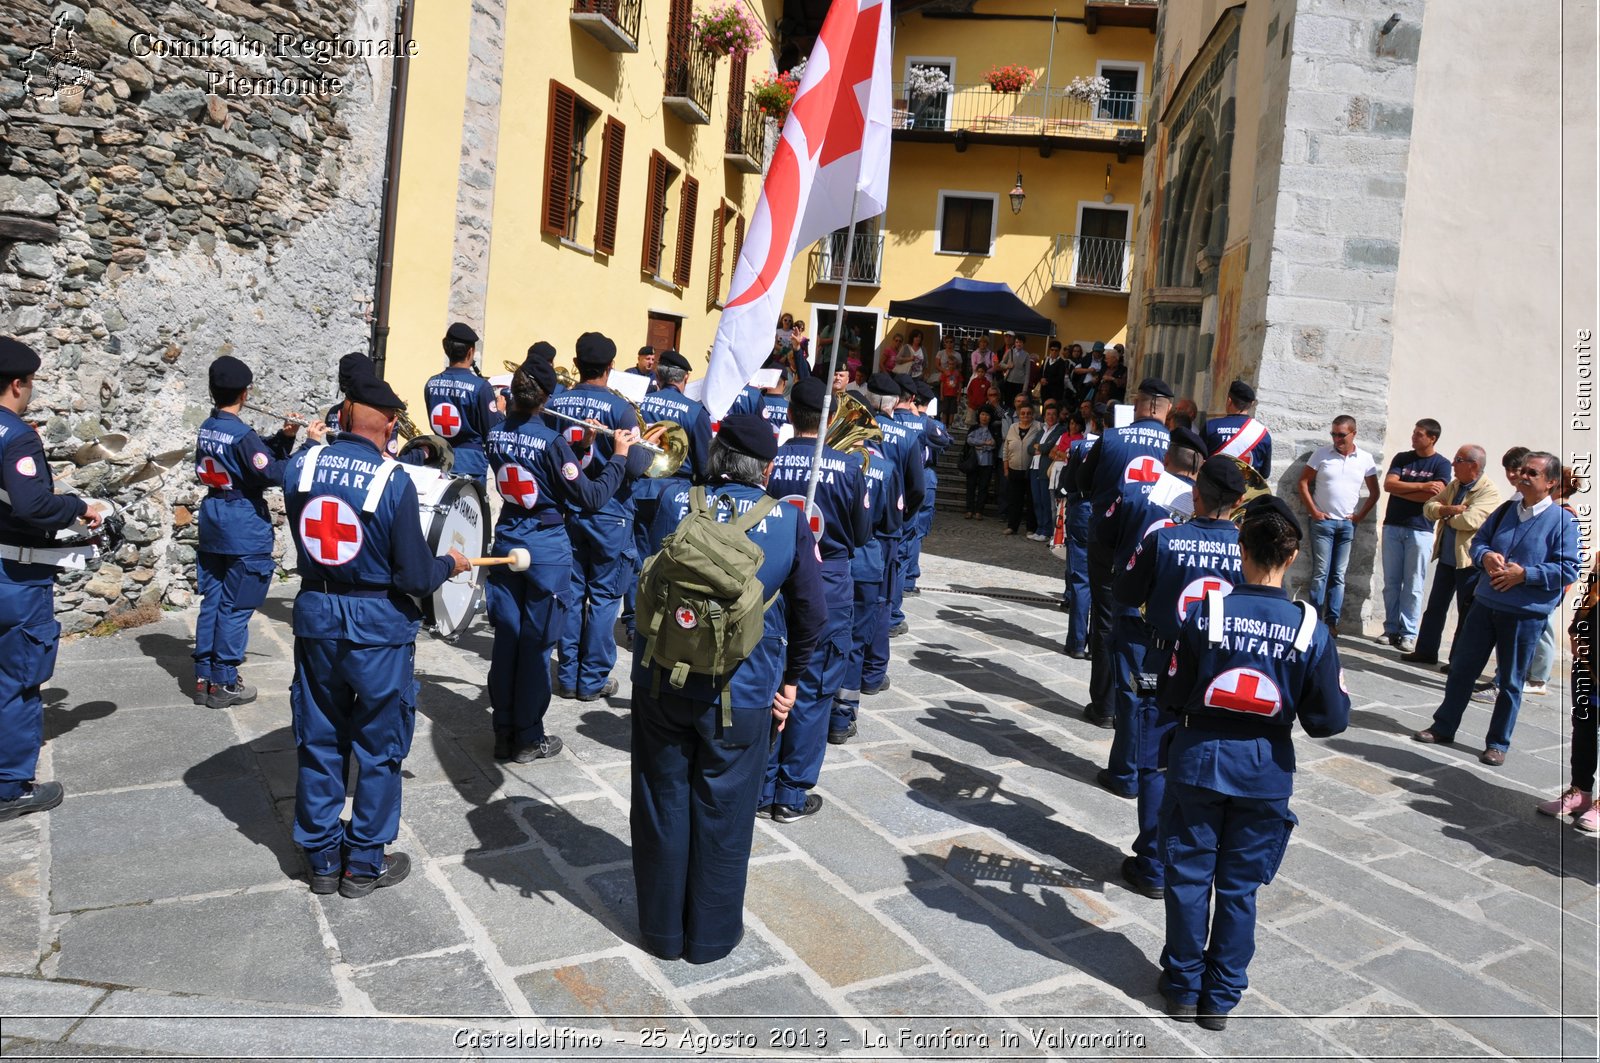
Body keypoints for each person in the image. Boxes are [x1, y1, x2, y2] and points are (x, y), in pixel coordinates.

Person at [631, 415, 825, 962]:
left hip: (662, 677)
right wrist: (790, 683)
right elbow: (814, 616)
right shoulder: (788, 521)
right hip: (743, 691)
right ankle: (710, 940)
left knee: (660, 803)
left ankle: (662, 933)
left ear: (716, 458)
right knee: (726, 814)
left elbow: (642, 569)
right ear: (766, 469)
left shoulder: (673, 502)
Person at [1155, 495, 1350, 1030]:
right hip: (1265, 767)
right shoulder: (1309, 627)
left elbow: (1170, 694)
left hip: (1199, 758)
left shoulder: (1207, 612)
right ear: (1291, 559)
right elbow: (1329, 720)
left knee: (1189, 878)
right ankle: (1219, 999)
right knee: (1240, 888)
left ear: (1240, 551)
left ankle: (1181, 986)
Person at [284, 371, 469, 897]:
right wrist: (450, 563)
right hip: (377, 629)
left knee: (318, 737)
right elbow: (412, 576)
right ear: (390, 423)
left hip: (317, 615)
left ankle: (321, 858)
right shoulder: (394, 481)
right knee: (379, 745)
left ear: (342, 413)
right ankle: (363, 864)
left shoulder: (300, 464)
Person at [486, 347, 648, 763]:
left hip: (508, 537)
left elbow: (540, 475)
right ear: (544, 397)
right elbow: (590, 496)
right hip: (544, 546)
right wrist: (619, 455)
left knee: (507, 640)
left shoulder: (495, 432)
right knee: (537, 645)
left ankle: (503, 730)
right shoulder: (552, 441)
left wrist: (586, 448)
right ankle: (528, 736)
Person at [1113, 455, 1245, 899]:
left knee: (1152, 756)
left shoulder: (1167, 539)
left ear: (1195, 494)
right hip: (1219, 669)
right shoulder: (1249, 548)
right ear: (1240, 501)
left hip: (1158, 661)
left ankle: (1151, 864)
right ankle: (1191, 855)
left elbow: (1127, 592)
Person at [0, 338, 110, 823]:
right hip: (15, 576)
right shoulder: (16, 435)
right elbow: (31, 505)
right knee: (19, 681)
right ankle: (9, 788)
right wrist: (78, 505)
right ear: (17, 384)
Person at [1414, 452, 1581, 765]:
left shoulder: (1564, 522)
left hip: (1523, 614)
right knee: (1462, 670)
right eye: (1522, 471)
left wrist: (1525, 575)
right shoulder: (1506, 510)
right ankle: (1443, 726)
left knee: (1510, 682)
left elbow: (1569, 569)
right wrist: (1485, 557)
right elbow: (1479, 542)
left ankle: (1497, 743)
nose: (1522, 476)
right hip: (1486, 604)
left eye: (1532, 472)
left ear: (1551, 483)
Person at [760, 377, 870, 819]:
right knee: (815, 687)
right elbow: (861, 533)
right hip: (828, 582)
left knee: (774, 679)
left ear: (790, 415)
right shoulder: (848, 467)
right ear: (831, 418)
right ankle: (790, 793)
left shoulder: (770, 460)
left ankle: (762, 785)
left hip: (776, 583)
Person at [193, 355, 326, 709]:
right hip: (241, 523)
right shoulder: (241, 434)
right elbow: (275, 475)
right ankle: (224, 681)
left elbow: (252, 460)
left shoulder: (209, 425)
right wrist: (310, 445)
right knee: (237, 605)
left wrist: (284, 437)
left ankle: (204, 676)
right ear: (245, 392)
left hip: (214, 516)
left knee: (214, 600)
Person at [1094, 427, 1209, 799]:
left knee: (1133, 691)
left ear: (1167, 459)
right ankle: (1165, 771)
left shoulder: (1133, 490)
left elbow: (1104, 534)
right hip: (1186, 617)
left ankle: (1127, 773)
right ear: (1200, 466)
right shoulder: (1208, 507)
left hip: (1134, 606)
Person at [548, 332, 643, 701]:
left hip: (570, 509)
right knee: (604, 597)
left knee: (572, 593)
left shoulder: (559, 401)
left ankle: (568, 675)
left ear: (575, 365)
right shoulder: (621, 409)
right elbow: (634, 465)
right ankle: (592, 680)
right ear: (611, 368)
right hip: (612, 513)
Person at [1077, 378, 1174, 728]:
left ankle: (1104, 705)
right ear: (1165, 409)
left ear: (1143, 405)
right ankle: (1139, 701)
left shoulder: (1111, 438)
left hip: (1109, 541)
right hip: (1159, 544)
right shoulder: (1179, 447)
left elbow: (1083, 484)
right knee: (1152, 627)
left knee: (1105, 620)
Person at [1404, 445, 1502, 667]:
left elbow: (1470, 521)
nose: (1452, 464)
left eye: (1458, 459)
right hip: (1446, 558)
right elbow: (1429, 507)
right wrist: (1450, 510)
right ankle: (1426, 651)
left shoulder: (1489, 491)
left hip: (1468, 561)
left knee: (1465, 614)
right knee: (1435, 607)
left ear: (1473, 465)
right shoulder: (1455, 484)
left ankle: (1458, 661)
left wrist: (1445, 514)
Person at [1372, 419, 1453, 652]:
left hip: (1421, 530)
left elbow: (1435, 498)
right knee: (1391, 582)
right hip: (1393, 526)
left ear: (1432, 438)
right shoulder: (1402, 458)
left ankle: (1408, 633)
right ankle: (1391, 629)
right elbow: (1389, 485)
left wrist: (1404, 488)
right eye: (1414, 433)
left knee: (1414, 584)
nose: (1413, 437)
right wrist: (1421, 487)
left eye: (1419, 434)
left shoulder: (1442, 464)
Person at [861, 374, 924, 670]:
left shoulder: (855, 426)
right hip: (888, 524)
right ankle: (873, 663)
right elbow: (917, 489)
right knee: (884, 593)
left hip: (856, 520)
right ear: (896, 402)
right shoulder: (907, 436)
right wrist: (901, 516)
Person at [1296, 415, 1379, 637]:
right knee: (1321, 573)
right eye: (1333, 434)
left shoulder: (1365, 458)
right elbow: (1303, 482)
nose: (1336, 439)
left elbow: (1375, 492)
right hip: (1323, 523)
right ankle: (1313, 621)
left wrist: (1359, 516)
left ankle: (1331, 623)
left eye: (1341, 435)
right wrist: (1314, 511)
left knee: (1338, 575)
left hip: (1347, 525)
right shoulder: (1322, 454)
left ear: (1354, 433)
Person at [1534, 568, 1600, 831]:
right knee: (1583, 726)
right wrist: (1575, 630)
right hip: (1589, 659)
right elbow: (1589, 594)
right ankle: (1580, 792)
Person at [892, 379, 949, 616]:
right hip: (920, 478)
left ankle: (903, 578)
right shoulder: (923, 423)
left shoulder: (891, 418)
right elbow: (945, 440)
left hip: (896, 479)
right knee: (914, 532)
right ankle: (907, 580)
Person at [422, 322, 502, 485]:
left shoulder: (431, 384)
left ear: (446, 349)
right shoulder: (480, 386)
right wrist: (500, 412)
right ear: (470, 352)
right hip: (470, 462)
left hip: (440, 459)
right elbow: (492, 430)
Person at [1059, 407, 1098, 657]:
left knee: (1081, 580)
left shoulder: (1082, 447)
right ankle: (1097, 645)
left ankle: (1076, 643)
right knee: (1105, 584)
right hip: (1111, 514)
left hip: (1084, 510)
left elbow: (1068, 482)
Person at [1201, 379, 1271, 477]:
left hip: (1213, 487)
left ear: (1229, 401)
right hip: (1244, 491)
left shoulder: (1211, 426)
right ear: (1251, 404)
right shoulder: (1263, 434)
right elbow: (1265, 474)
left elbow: (1198, 463)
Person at [1002, 401, 1041, 537]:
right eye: (1023, 413)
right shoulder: (1013, 427)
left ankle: (1031, 527)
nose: (1025, 416)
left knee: (1031, 500)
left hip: (1030, 470)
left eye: (1029, 413)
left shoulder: (1038, 427)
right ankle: (1012, 526)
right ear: (1018, 414)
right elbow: (1006, 448)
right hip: (1014, 469)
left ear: (1033, 415)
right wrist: (1006, 468)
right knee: (1014, 500)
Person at [1029, 400, 1067, 542]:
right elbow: (1029, 448)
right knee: (1037, 500)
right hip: (1035, 468)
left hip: (1046, 469)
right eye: (1048, 414)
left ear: (1057, 416)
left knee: (1046, 501)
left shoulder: (1060, 430)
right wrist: (1040, 447)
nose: (1050, 417)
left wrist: (1040, 447)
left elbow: (1048, 448)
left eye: (1053, 414)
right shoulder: (1041, 430)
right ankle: (1039, 528)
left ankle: (1046, 530)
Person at [964, 406, 998, 520]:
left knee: (984, 487)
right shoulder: (974, 428)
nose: (984, 417)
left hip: (987, 462)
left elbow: (994, 444)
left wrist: (982, 445)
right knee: (971, 486)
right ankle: (969, 509)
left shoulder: (993, 430)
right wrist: (984, 443)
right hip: (973, 461)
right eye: (982, 414)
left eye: (987, 415)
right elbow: (969, 440)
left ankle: (979, 510)